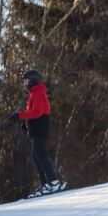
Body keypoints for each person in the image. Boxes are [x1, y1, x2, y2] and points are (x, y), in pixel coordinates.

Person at [9, 69, 65, 198]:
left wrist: (20, 115)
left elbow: (38, 112)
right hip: (37, 128)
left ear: (33, 80)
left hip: (40, 128)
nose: (24, 83)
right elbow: (35, 114)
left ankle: (53, 182)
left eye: (26, 80)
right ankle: (46, 183)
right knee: (36, 155)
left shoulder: (38, 93)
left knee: (40, 154)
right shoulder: (35, 94)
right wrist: (26, 125)